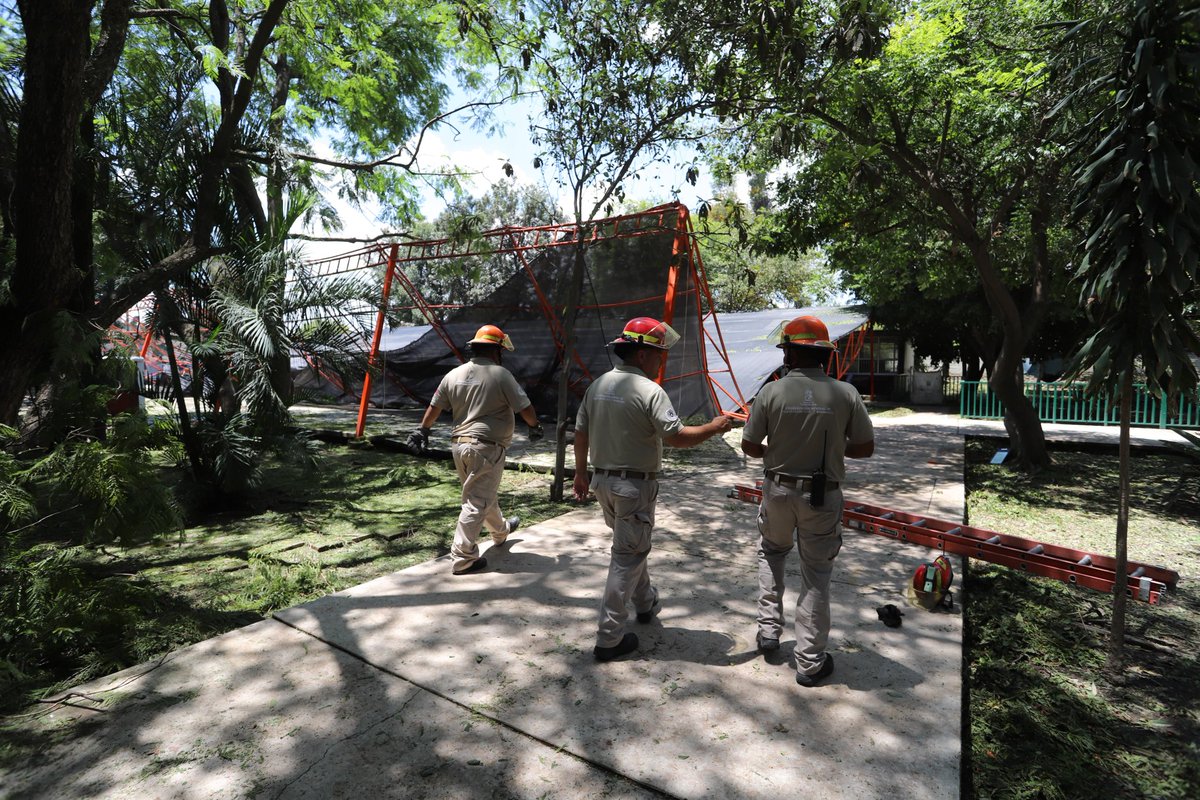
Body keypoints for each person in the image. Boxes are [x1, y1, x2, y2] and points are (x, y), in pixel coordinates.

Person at [573, 316, 733, 662]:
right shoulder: (649, 390)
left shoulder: (598, 385)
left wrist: (581, 473)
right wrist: (714, 427)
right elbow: (676, 437)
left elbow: (581, 431)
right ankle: (609, 638)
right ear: (643, 355)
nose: (661, 361)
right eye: (659, 354)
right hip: (633, 486)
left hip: (603, 483)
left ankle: (645, 603)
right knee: (627, 556)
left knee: (630, 546)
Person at [740, 315, 874, 687]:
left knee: (772, 553)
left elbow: (750, 446)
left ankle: (768, 632)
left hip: (778, 491)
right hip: (823, 495)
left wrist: (778, 448)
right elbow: (865, 448)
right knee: (816, 576)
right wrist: (831, 448)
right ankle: (810, 662)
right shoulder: (845, 393)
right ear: (825, 356)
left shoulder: (771, 392)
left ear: (789, 355)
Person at [408, 324, 544, 575]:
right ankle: (463, 557)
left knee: (481, 493)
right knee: (475, 500)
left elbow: (434, 406)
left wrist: (423, 430)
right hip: (485, 447)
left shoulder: (454, 374)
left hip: (459, 446)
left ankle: (500, 531)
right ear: (497, 351)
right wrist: (534, 426)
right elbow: (525, 407)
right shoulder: (501, 374)